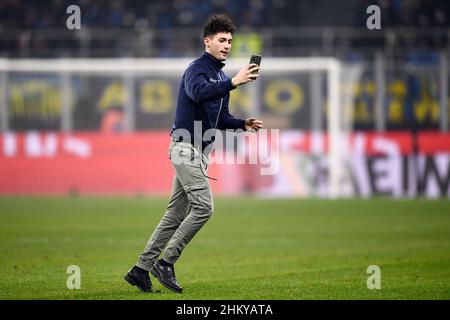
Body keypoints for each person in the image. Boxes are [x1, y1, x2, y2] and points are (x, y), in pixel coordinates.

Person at [124, 14, 263, 293]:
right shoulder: (197, 69)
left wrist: (242, 124)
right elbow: (198, 93)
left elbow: (221, 118)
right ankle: (166, 263)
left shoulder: (221, 78)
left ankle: (140, 269)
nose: (227, 45)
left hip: (199, 153)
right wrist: (234, 83)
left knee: (175, 215)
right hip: (184, 148)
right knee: (204, 208)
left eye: (230, 41)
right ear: (207, 41)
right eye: (222, 40)